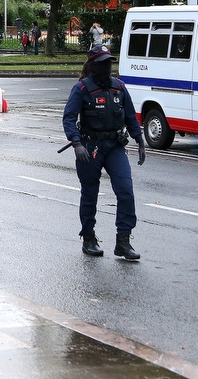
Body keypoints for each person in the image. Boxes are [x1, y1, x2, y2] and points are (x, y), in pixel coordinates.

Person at [62, 45, 145, 260]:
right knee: (90, 194)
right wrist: (76, 143)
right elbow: (69, 118)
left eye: (110, 61)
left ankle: (123, 241)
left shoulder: (119, 87)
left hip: (115, 146)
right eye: (103, 62)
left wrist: (139, 139)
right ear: (93, 65)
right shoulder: (81, 89)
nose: (108, 65)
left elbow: (129, 116)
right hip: (90, 147)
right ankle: (88, 237)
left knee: (125, 190)